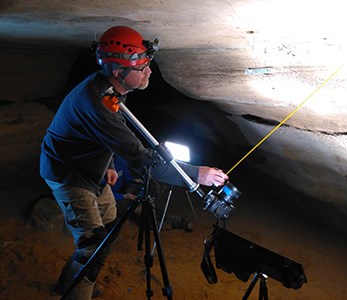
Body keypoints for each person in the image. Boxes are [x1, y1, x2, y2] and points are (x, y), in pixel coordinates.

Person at [39, 25, 228, 300]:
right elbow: (140, 159)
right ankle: (77, 290)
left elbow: (103, 136)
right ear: (118, 71)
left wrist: (111, 164)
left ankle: (73, 282)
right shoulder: (97, 103)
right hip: (69, 174)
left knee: (108, 225)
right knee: (93, 246)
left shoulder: (106, 87)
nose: (149, 72)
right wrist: (197, 174)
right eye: (142, 67)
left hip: (92, 169)